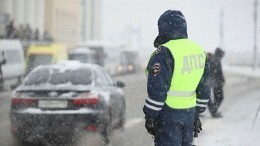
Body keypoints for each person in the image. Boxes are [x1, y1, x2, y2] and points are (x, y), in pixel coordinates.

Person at [143, 10, 211, 146]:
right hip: (189, 113)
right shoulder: (199, 51)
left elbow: (158, 88)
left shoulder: (165, 52)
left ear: (163, 27)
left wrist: (150, 115)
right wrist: (198, 112)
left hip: (168, 114)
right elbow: (204, 86)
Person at [208, 48, 225, 118]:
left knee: (209, 98)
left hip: (210, 81)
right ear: (220, 54)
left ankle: (213, 111)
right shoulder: (217, 60)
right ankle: (213, 111)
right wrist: (222, 80)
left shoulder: (211, 58)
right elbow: (219, 73)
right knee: (220, 97)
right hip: (216, 82)